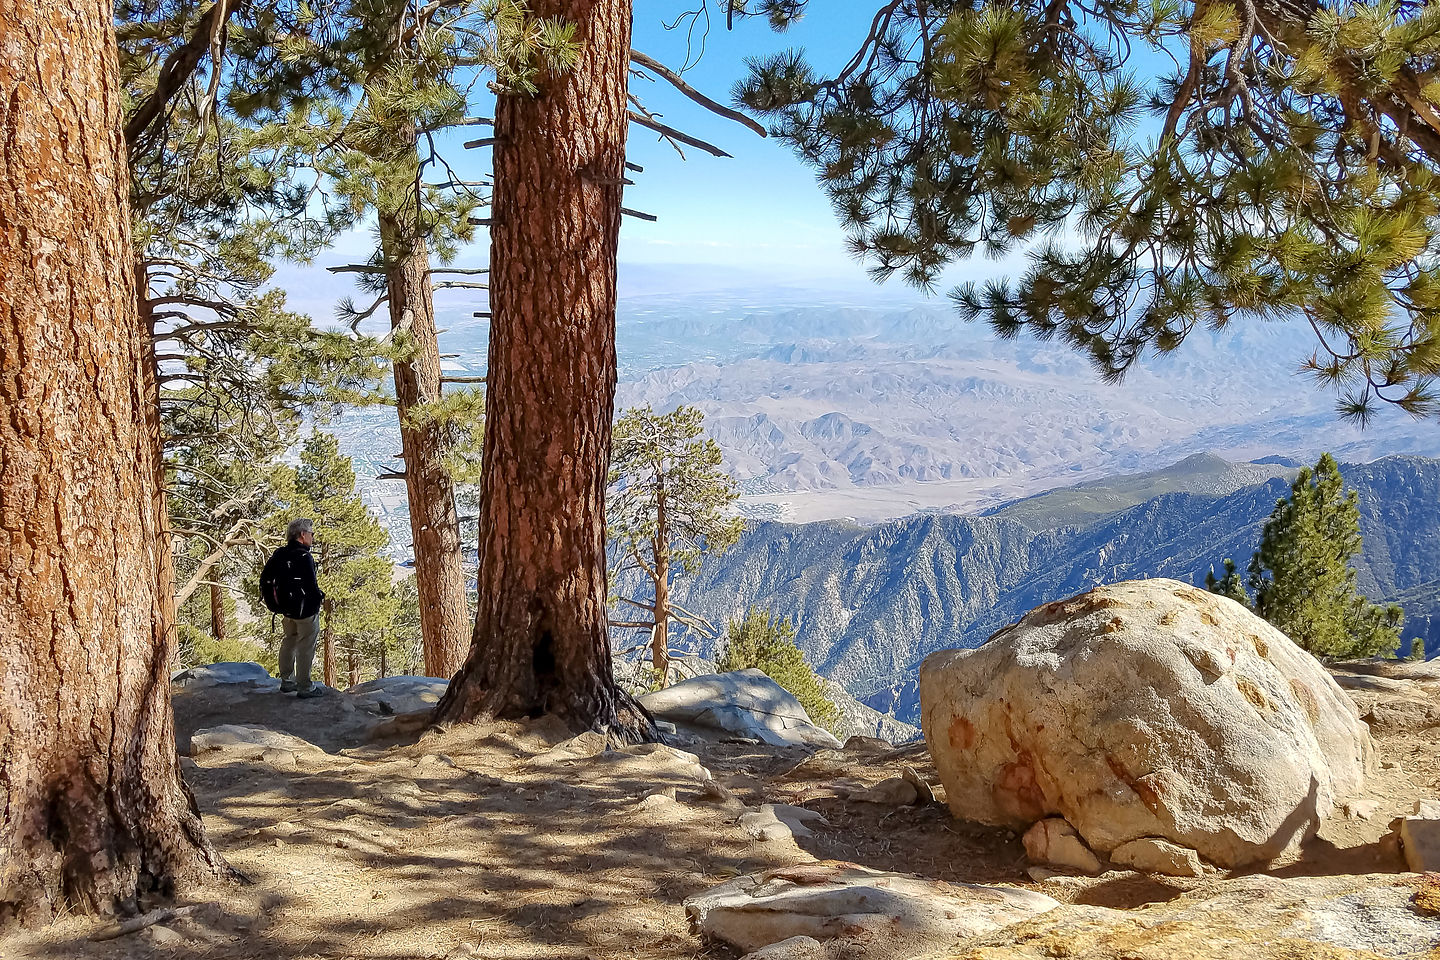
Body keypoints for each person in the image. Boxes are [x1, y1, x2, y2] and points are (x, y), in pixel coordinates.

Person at [266, 518, 327, 698]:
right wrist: (319, 598)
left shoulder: (280, 553)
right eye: (311, 533)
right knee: (306, 647)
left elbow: (268, 579)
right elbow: (310, 586)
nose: (312, 537)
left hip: (286, 610)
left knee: (289, 641)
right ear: (302, 535)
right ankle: (305, 687)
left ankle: (287, 681)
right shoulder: (304, 556)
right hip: (305, 611)